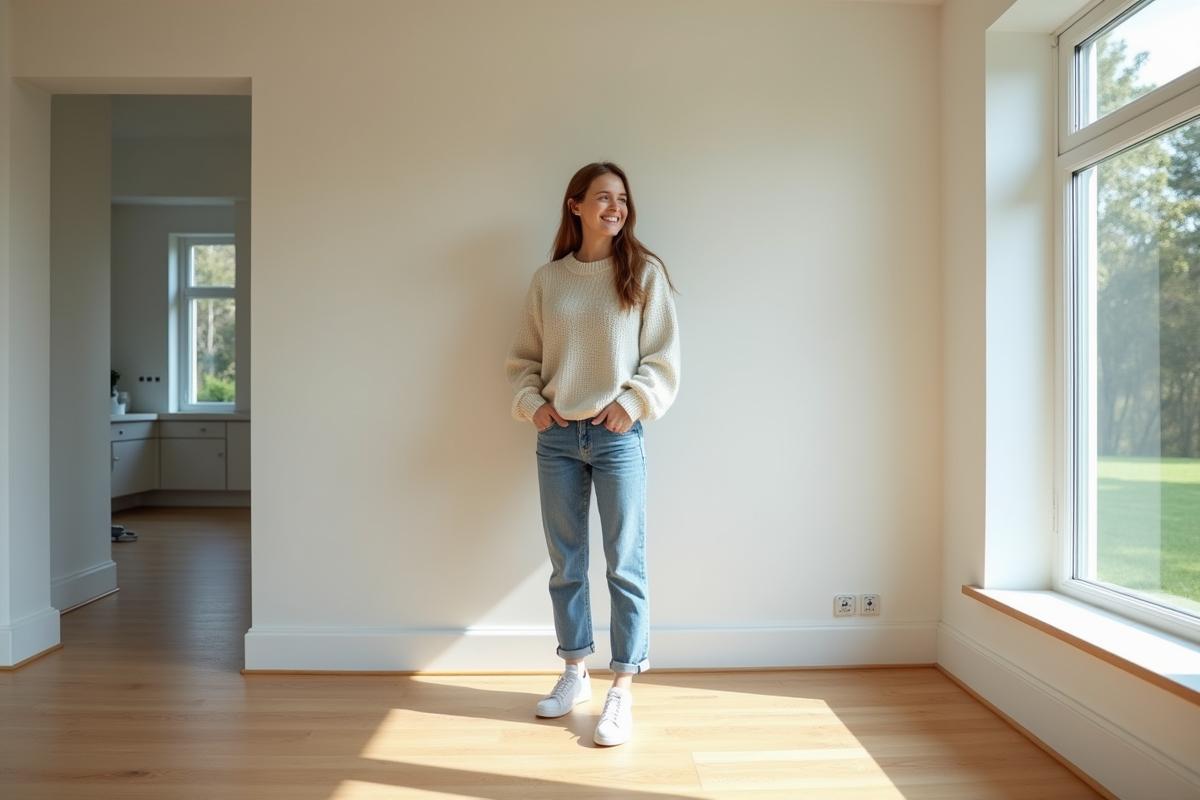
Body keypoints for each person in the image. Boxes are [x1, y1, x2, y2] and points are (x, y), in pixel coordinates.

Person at [506, 162, 680, 747]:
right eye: (604, 197)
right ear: (575, 205)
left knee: (624, 563)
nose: (616, 208)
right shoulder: (548, 281)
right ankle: (575, 671)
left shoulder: (644, 273)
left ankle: (622, 687)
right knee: (566, 563)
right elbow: (523, 359)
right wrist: (531, 403)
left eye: (622, 199)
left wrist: (632, 403)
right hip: (556, 438)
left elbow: (663, 358)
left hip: (616, 438)